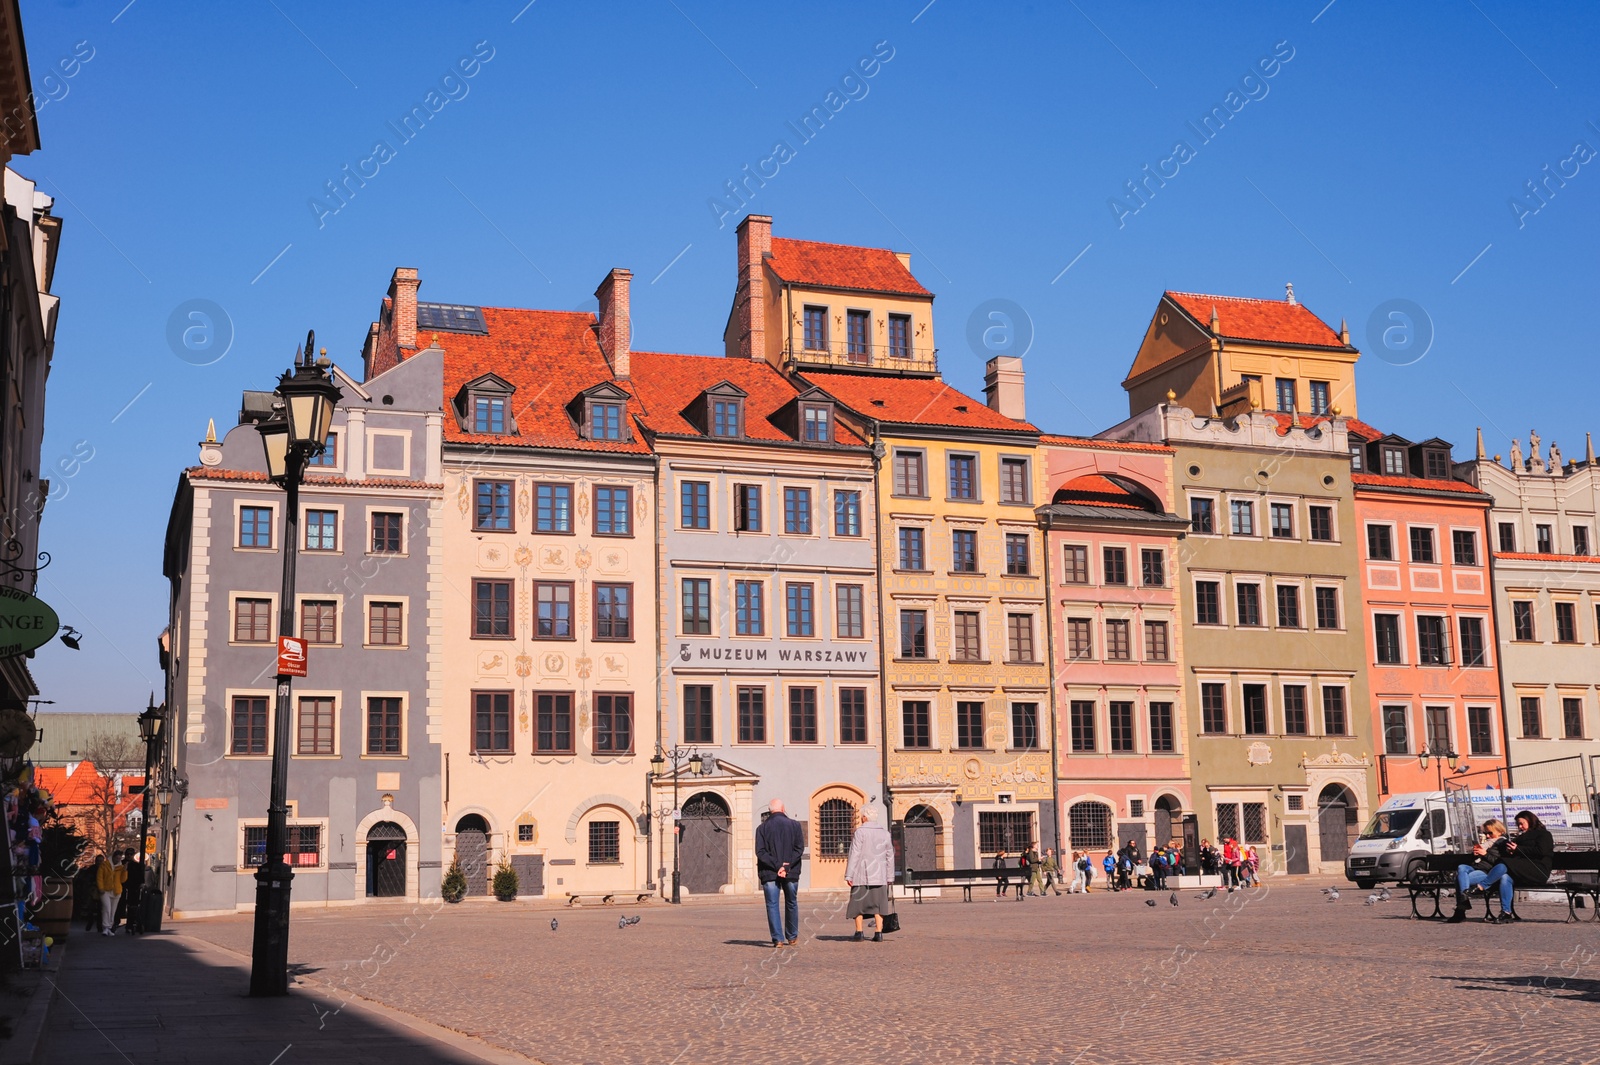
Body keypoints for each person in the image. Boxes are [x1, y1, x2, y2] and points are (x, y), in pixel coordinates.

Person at [1451, 811, 1552, 924]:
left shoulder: (1543, 834)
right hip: (1519, 870)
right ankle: (1506, 913)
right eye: (1518, 824)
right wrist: (1512, 851)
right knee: (1504, 877)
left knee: (1504, 863)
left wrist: (1517, 849)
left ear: (1530, 820)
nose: (1520, 827)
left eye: (1521, 823)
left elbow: (1542, 851)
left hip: (1537, 869)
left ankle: (1481, 887)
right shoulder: (1520, 838)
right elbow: (1513, 855)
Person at [755, 798, 805, 947]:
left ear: (770, 810)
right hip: (791, 871)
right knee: (791, 902)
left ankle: (778, 939)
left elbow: (760, 852)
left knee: (772, 904)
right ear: (783, 809)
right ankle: (792, 936)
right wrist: (786, 866)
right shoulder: (795, 825)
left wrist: (777, 866)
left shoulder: (762, 828)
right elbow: (799, 849)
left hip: (769, 871)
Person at [844, 806, 895, 942]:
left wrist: (849, 875)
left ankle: (859, 932)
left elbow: (854, 854)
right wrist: (890, 876)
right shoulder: (885, 833)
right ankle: (878, 933)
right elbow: (890, 856)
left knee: (858, 905)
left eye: (862, 816)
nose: (861, 818)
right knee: (879, 906)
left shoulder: (860, 832)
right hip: (880, 876)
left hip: (861, 876)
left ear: (865, 817)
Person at [96, 851, 125, 937]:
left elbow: (123, 880)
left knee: (113, 911)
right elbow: (99, 877)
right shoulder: (104, 865)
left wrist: (125, 871)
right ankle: (105, 927)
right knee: (106, 908)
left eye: (120, 858)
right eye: (117, 858)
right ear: (113, 857)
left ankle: (109, 927)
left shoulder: (120, 867)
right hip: (105, 890)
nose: (118, 860)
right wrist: (101, 888)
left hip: (116, 891)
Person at [121, 850, 146, 935]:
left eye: (131, 854)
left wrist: (142, 883)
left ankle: (130, 924)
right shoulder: (121, 864)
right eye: (127, 854)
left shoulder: (136, 865)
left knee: (133, 907)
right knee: (123, 906)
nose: (129, 856)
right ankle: (119, 922)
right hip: (122, 887)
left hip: (134, 888)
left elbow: (140, 875)